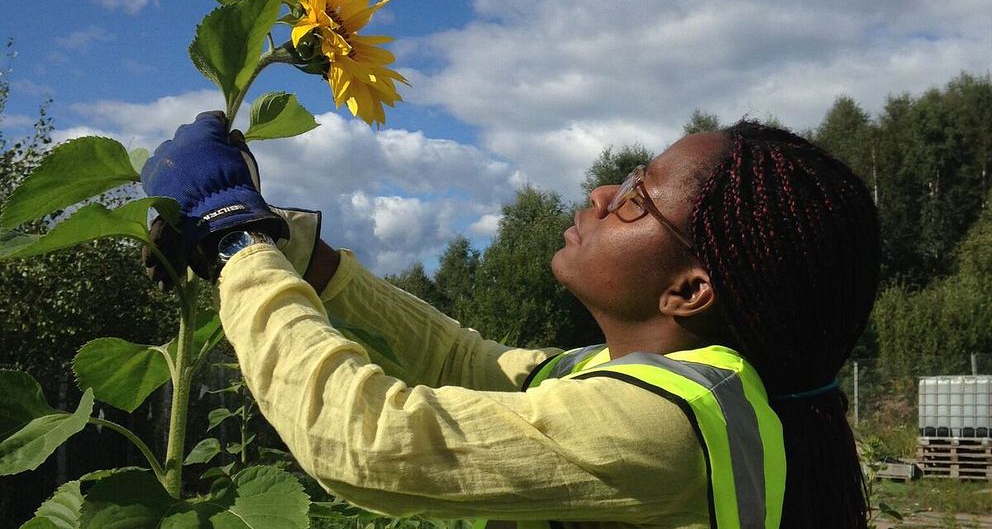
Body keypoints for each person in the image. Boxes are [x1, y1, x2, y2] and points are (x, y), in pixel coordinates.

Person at [142, 112, 880, 529]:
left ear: (688, 290)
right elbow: (467, 362)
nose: (598, 192)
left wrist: (235, 240)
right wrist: (302, 256)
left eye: (635, 199)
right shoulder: (639, 383)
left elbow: (365, 439)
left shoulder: (664, 427)